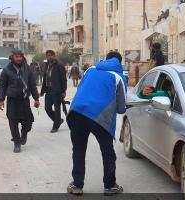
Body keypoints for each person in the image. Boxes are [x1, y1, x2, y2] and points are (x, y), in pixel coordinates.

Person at [66, 51, 127, 196]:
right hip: (100, 117)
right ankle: (110, 186)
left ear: (105, 59)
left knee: (79, 150)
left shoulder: (90, 69)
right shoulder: (119, 76)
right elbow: (121, 108)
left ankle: (77, 185)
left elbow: (81, 89)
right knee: (107, 152)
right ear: (119, 62)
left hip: (77, 112)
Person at [0, 50, 40, 153]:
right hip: (12, 100)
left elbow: (32, 84)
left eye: (20, 56)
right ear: (12, 57)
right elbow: (2, 85)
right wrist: (1, 99)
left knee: (28, 122)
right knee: (13, 121)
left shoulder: (28, 69)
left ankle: (24, 133)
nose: (18, 58)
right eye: (16, 56)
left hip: (24, 100)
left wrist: (36, 98)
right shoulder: (7, 70)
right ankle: (17, 142)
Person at [40, 50, 67, 133]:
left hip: (57, 91)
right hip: (48, 91)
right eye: (47, 55)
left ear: (54, 56)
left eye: (51, 55)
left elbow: (63, 79)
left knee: (57, 108)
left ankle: (55, 126)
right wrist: (42, 91)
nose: (49, 57)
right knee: (47, 108)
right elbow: (45, 79)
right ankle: (58, 120)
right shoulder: (46, 65)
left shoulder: (59, 66)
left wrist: (63, 91)